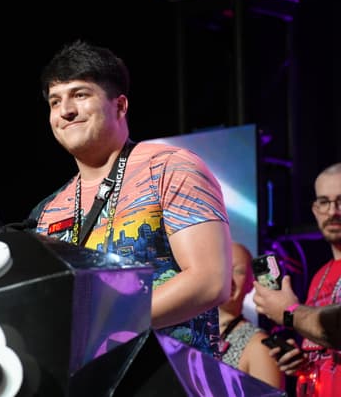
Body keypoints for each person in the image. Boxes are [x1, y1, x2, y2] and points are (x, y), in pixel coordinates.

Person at [28, 40, 232, 357]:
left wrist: (104, 325)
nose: (65, 111)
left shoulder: (171, 167)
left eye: (80, 95)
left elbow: (210, 280)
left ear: (120, 106)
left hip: (169, 378)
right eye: (55, 102)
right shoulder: (50, 210)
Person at [253, 162, 341, 396]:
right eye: (324, 202)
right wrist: (303, 362)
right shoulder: (319, 276)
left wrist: (288, 312)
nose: (333, 211)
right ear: (314, 209)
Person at [218, 242, 284, 388]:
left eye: (239, 271)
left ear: (250, 283)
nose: (229, 278)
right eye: (222, 266)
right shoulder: (186, 333)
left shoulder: (260, 347)